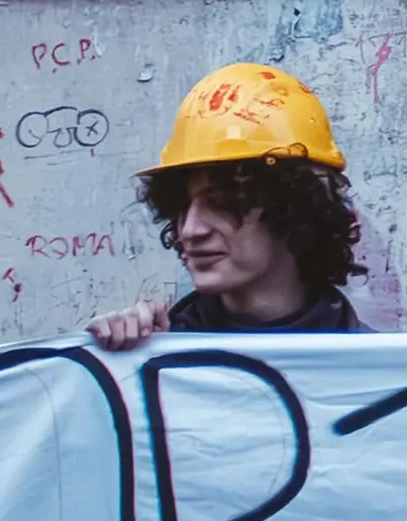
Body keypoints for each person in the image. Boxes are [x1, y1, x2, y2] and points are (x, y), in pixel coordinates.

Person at [90, 63, 373, 348]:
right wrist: (132, 366)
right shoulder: (157, 357)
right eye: (181, 206)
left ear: (295, 209)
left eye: (221, 203)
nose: (190, 230)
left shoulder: (381, 374)